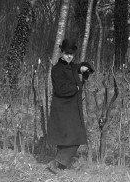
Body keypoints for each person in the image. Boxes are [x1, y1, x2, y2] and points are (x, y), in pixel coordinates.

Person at [46, 38, 94, 174]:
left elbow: (83, 66)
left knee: (69, 137)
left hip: (72, 108)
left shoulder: (72, 66)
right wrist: (77, 88)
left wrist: (86, 68)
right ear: (61, 52)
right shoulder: (56, 70)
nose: (69, 56)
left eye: (71, 54)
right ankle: (57, 163)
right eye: (66, 53)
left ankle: (58, 165)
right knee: (74, 136)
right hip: (62, 108)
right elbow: (61, 89)